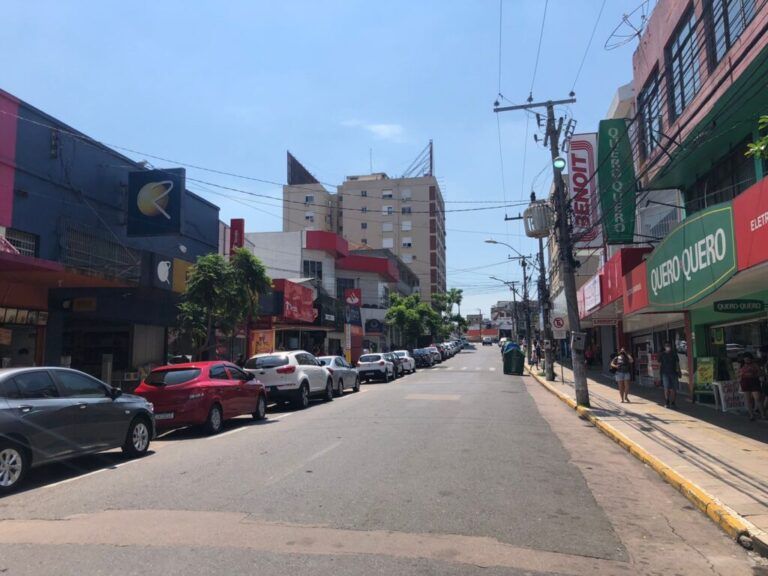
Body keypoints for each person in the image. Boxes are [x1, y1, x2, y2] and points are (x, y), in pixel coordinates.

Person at [738, 352, 766, 421]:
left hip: (754, 381)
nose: (746, 360)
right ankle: (751, 415)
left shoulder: (755, 365)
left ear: (751, 359)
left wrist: (755, 374)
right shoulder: (741, 365)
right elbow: (738, 374)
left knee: (758, 398)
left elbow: (761, 373)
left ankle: (763, 414)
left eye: (748, 358)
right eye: (745, 359)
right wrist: (740, 377)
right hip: (745, 382)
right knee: (748, 399)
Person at [659, 341, 681, 408]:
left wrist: (679, 371)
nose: (668, 347)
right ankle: (667, 402)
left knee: (674, 388)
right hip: (665, 373)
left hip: (674, 373)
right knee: (666, 388)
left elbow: (677, 363)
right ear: (664, 347)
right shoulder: (662, 354)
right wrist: (659, 374)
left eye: (669, 346)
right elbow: (660, 364)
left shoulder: (674, 354)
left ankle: (673, 402)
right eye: (666, 346)